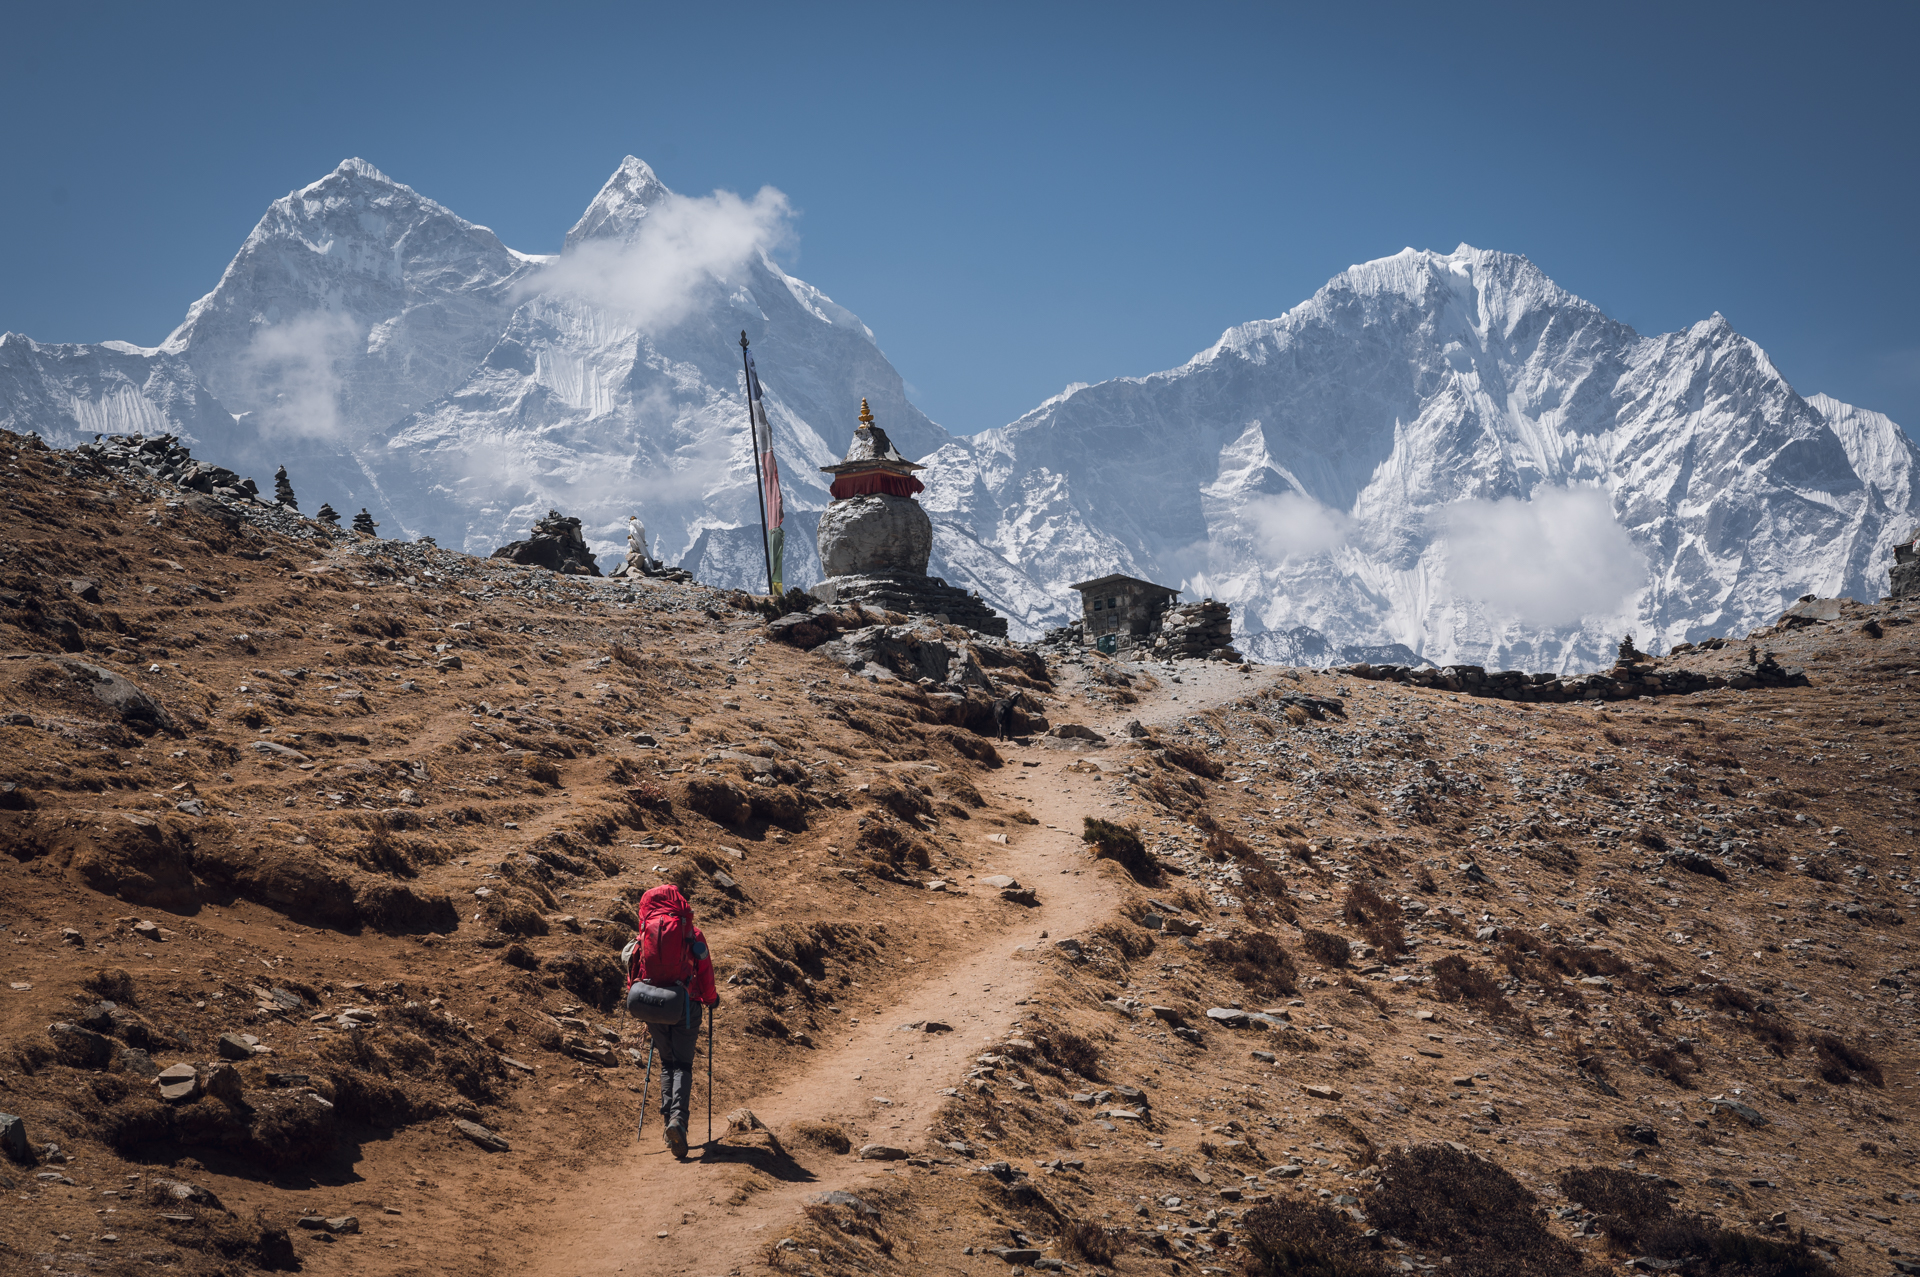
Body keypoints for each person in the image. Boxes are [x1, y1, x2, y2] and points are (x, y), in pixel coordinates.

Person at [624, 884, 717, 1158]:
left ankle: (668, 1124)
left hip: (652, 1005)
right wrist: (711, 999)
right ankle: (678, 1120)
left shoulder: (644, 935)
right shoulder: (692, 934)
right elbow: (705, 971)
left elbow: (633, 973)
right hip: (685, 1005)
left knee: (667, 1064)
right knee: (683, 1066)